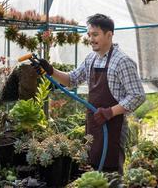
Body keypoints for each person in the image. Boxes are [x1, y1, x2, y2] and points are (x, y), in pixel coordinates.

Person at [35, 13, 146, 174]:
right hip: (94, 123)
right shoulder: (91, 59)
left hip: (113, 126)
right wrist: (51, 70)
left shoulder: (122, 61)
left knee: (111, 172)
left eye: (95, 34)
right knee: (93, 167)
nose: (91, 39)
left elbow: (137, 95)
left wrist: (110, 112)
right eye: (89, 35)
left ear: (109, 35)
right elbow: (72, 80)